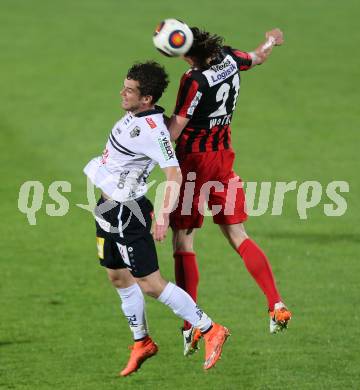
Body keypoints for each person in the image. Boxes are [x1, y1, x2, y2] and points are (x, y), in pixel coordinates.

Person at [83, 61, 229, 376]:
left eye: (130, 90)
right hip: (107, 208)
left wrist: (162, 214)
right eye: (124, 86)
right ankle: (142, 342)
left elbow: (173, 173)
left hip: (129, 212)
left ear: (146, 98)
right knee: (117, 277)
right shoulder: (142, 114)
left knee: (150, 284)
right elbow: (175, 122)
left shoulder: (152, 132)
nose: (122, 93)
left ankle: (210, 328)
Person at [167, 27, 292, 355]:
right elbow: (259, 56)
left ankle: (190, 323)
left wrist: (147, 124)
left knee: (184, 238)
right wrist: (270, 40)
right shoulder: (230, 58)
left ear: (187, 54)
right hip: (223, 158)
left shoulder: (193, 79)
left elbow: (176, 126)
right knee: (237, 232)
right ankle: (275, 303)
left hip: (193, 161)